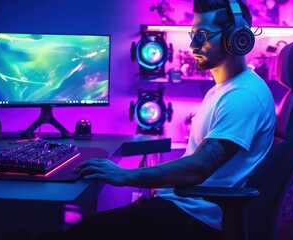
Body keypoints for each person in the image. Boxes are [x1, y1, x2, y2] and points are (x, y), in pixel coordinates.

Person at [61, 0, 276, 239]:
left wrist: (127, 176)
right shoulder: (224, 89)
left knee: (81, 233)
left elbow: (200, 166)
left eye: (202, 36)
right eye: (193, 34)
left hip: (196, 221)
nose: (193, 44)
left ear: (237, 38)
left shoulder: (244, 96)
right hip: (182, 207)